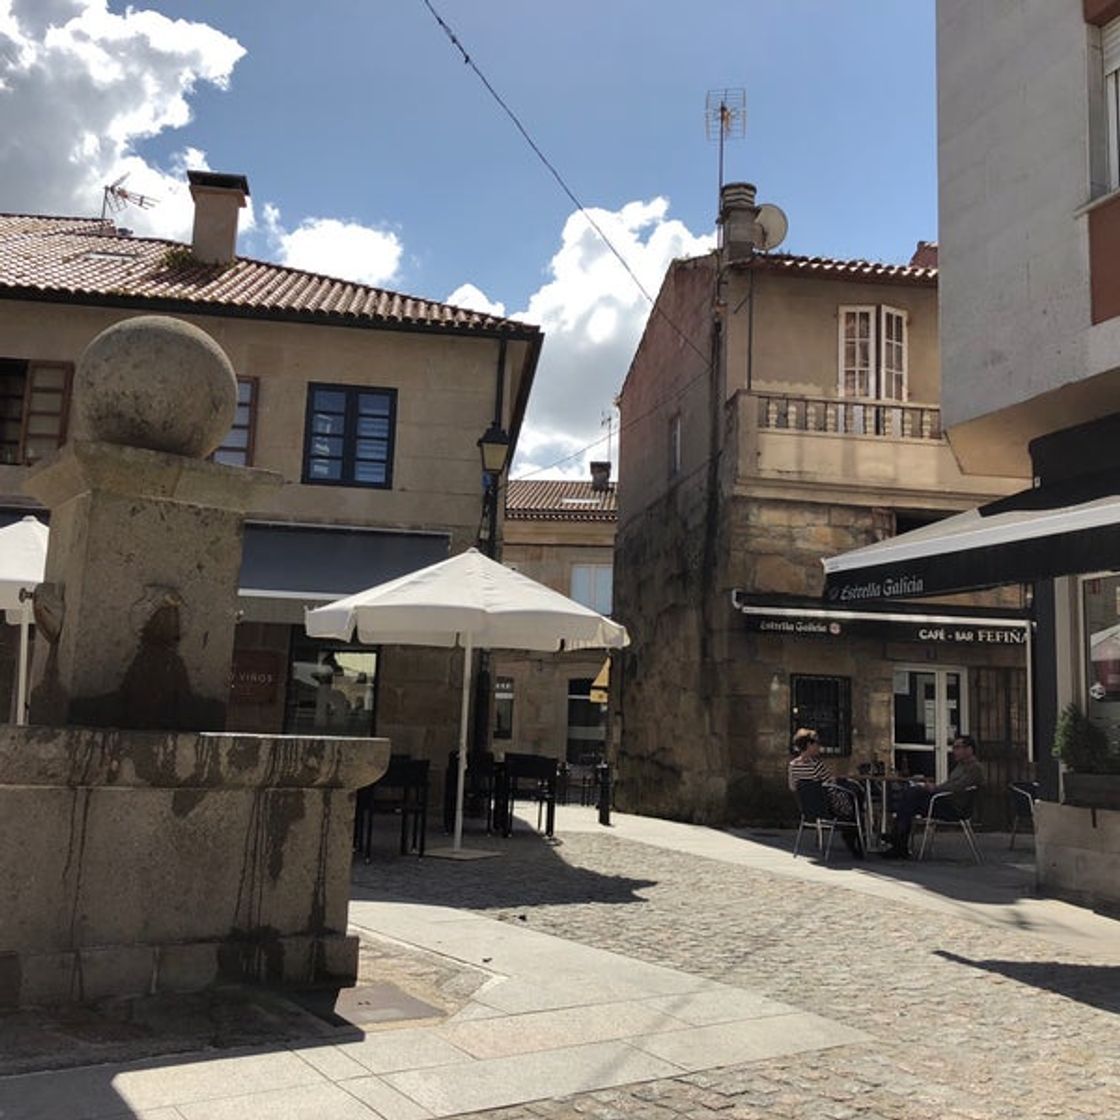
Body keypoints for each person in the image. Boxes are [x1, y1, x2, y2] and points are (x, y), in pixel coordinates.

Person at [883, 734, 984, 858]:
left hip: (955, 808)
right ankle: (899, 842)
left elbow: (958, 787)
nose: (954, 751)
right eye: (954, 747)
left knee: (912, 796)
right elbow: (949, 785)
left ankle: (898, 840)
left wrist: (935, 789)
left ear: (969, 750)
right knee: (911, 796)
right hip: (945, 801)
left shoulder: (975, 768)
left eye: (958, 747)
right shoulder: (960, 766)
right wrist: (932, 787)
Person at [788, 728, 863, 857]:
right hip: (827, 807)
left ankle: (851, 834)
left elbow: (793, 787)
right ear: (809, 745)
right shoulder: (816, 765)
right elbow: (830, 782)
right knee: (856, 797)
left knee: (850, 799)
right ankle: (856, 837)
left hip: (809, 808)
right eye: (816, 744)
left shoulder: (793, 766)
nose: (819, 747)